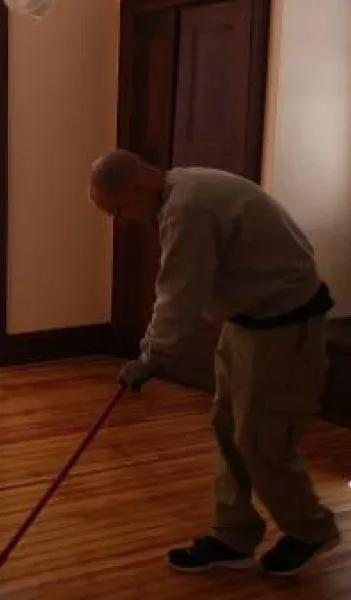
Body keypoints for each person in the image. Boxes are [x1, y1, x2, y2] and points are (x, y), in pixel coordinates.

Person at [88, 149, 341, 576]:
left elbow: (179, 294)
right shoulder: (184, 187)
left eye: (118, 209)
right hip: (246, 323)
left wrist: (151, 357)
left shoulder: (188, 208)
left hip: (283, 330)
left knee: (262, 440)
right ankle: (233, 534)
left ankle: (311, 528)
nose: (124, 220)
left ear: (137, 186)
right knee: (227, 428)